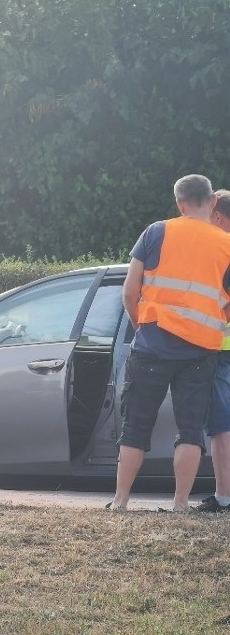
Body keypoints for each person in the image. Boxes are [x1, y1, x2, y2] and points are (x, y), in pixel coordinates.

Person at [111, 174, 230, 512]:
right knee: (191, 429)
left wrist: (141, 326)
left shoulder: (157, 231)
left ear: (180, 204)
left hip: (152, 344)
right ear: (211, 202)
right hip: (200, 351)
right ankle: (180, 504)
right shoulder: (226, 244)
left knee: (136, 424)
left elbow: (130, 290)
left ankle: (120, 501)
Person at [196, 189, 230, 511]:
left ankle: (224, 497)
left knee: (221, 425)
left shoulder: (222, 252)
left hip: (220, 350)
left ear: (217, 216)